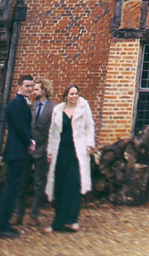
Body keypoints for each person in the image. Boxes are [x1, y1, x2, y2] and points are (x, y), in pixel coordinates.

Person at [45, 84, 95, 233]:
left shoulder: (83, 107)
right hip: (61, 151)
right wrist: (49, 152)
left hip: (76, 152)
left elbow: (89, 126)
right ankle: (58, 220)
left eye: (76, 94)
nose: (74, 97)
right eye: (71, 94)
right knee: (60, 184)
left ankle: (72, 219)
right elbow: (52, 132)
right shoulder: (58, 110)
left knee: (73, 184)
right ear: (65, 96)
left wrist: (88, 144)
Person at [0, 74, 35, 239]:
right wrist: (29, 143)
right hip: (16, 151)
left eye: (32, 86)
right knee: (10, 189)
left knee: (13, 188)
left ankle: (4, 224)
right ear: (19, 86)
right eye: (27, 86)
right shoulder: (16, 104)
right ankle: (1, 226)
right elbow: (19, 128)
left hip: (19, 151)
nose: (30, 89)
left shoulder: (22, 103)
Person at [13, 78, 54, 226]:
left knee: (38, 183)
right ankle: (18, 214)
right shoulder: (30, 106)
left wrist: (49, 150)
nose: (33, 92)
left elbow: (53, 131)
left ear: (44, 91)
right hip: (28, 148)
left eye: (36, 89)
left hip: (43, 149)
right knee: (22, 182)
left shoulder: (52, 108)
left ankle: (34, 215)